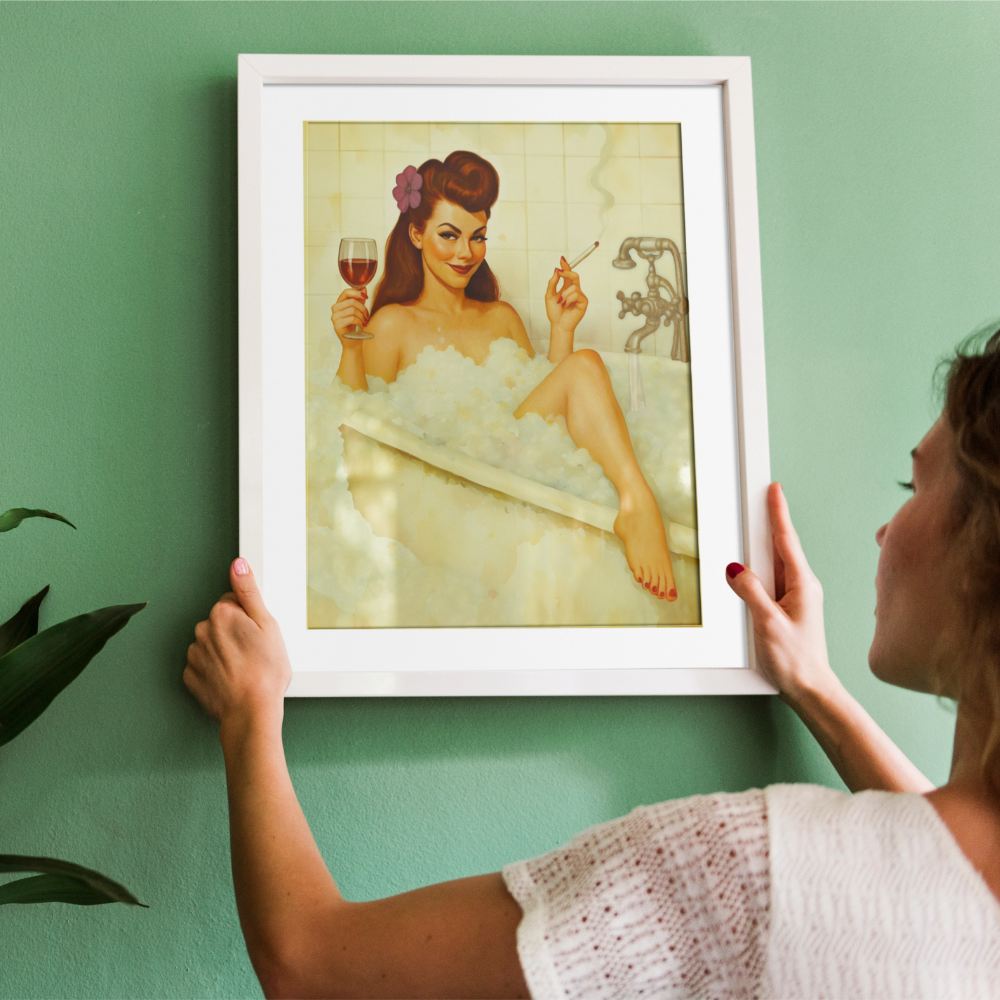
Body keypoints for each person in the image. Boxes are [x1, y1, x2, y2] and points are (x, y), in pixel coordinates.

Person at [185, 330, 1000, 999]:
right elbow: (936, 870)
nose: (885, 529)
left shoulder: (750, 872)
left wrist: (251, 714)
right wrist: (817, 690)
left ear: (983, 551)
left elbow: (315, 967)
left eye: (913, 486)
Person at [332, 150, 677, 602]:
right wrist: (350, 347)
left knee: (585, 363)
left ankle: (636, 502)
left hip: (514, 469)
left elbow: (549, 417)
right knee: (585, 365)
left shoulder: (501, 317)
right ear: (416, 234)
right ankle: (638, 503)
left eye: (477, 237)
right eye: (449, 235)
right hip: (458, 496)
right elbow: (357, 424)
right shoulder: (393, 324)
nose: (465, 253)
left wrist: (561, 330)